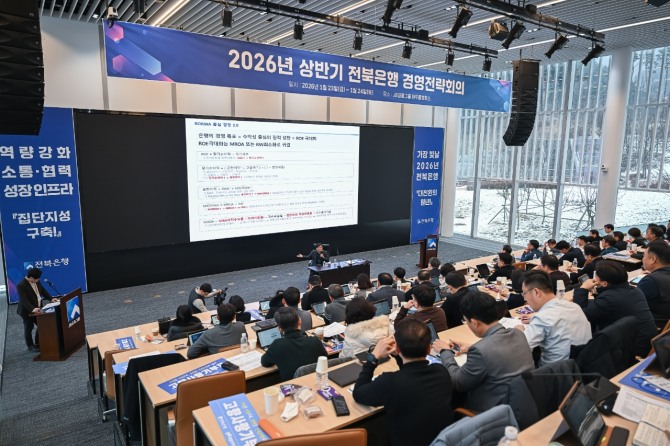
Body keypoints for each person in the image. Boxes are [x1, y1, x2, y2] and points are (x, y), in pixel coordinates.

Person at [352, 319, 453, 446]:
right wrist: (398, 356)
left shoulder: (389, 382)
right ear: (429, 349)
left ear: (397, 348)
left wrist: (373, 358)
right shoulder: (441, 371)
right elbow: (409, 372)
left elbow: (358, 393)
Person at [434, 291, 534, 413]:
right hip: (524, 401)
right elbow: (497, 350)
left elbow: (457, 382)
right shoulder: (518, 334)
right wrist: (471, 347)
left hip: (495, 412)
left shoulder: (480, 351)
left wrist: (444, 351)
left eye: (466, 321)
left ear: (474, 322)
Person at [573, 260, 657, 357]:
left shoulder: (610, 299)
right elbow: (607, 304)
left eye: (596, 276)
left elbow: (582, 314)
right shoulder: (634, 290)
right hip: (644, 343)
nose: (594, 279)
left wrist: (583, 289)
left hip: (632, 351)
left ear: (604, 283)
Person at [515, 271, 592, 366]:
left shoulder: (542, 318)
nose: (525, 299)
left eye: (524, 294)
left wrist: (520, 332)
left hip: (553, 371)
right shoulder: (574, 306)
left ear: (536, 292)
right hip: (581, 364)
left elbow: (520, 349)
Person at [260, 307, 328, 380]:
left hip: (292, 386)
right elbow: (325, 358)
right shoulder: (315, 341)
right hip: (316, 381)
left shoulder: (277, 345)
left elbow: (264, 362)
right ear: (299, 322)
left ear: (279, 329)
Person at [16, 267, 57, 351]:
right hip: (27, 311)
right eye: (37, 279)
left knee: (41, 324)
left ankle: (38, 343)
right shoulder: (21, 285)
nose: (38, 280)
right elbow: (24, 300)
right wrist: (32, 309)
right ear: (31, 278)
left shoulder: (36, 280)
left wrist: (51, 298)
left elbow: (42, 290)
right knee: (29, 327)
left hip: (38, 308)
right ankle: (30, 346)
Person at [637, 240, 670, 329]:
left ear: (653, 259)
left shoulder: (651, 281)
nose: (642, 259)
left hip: (656, 328)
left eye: (644, 256)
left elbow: (632, 304)